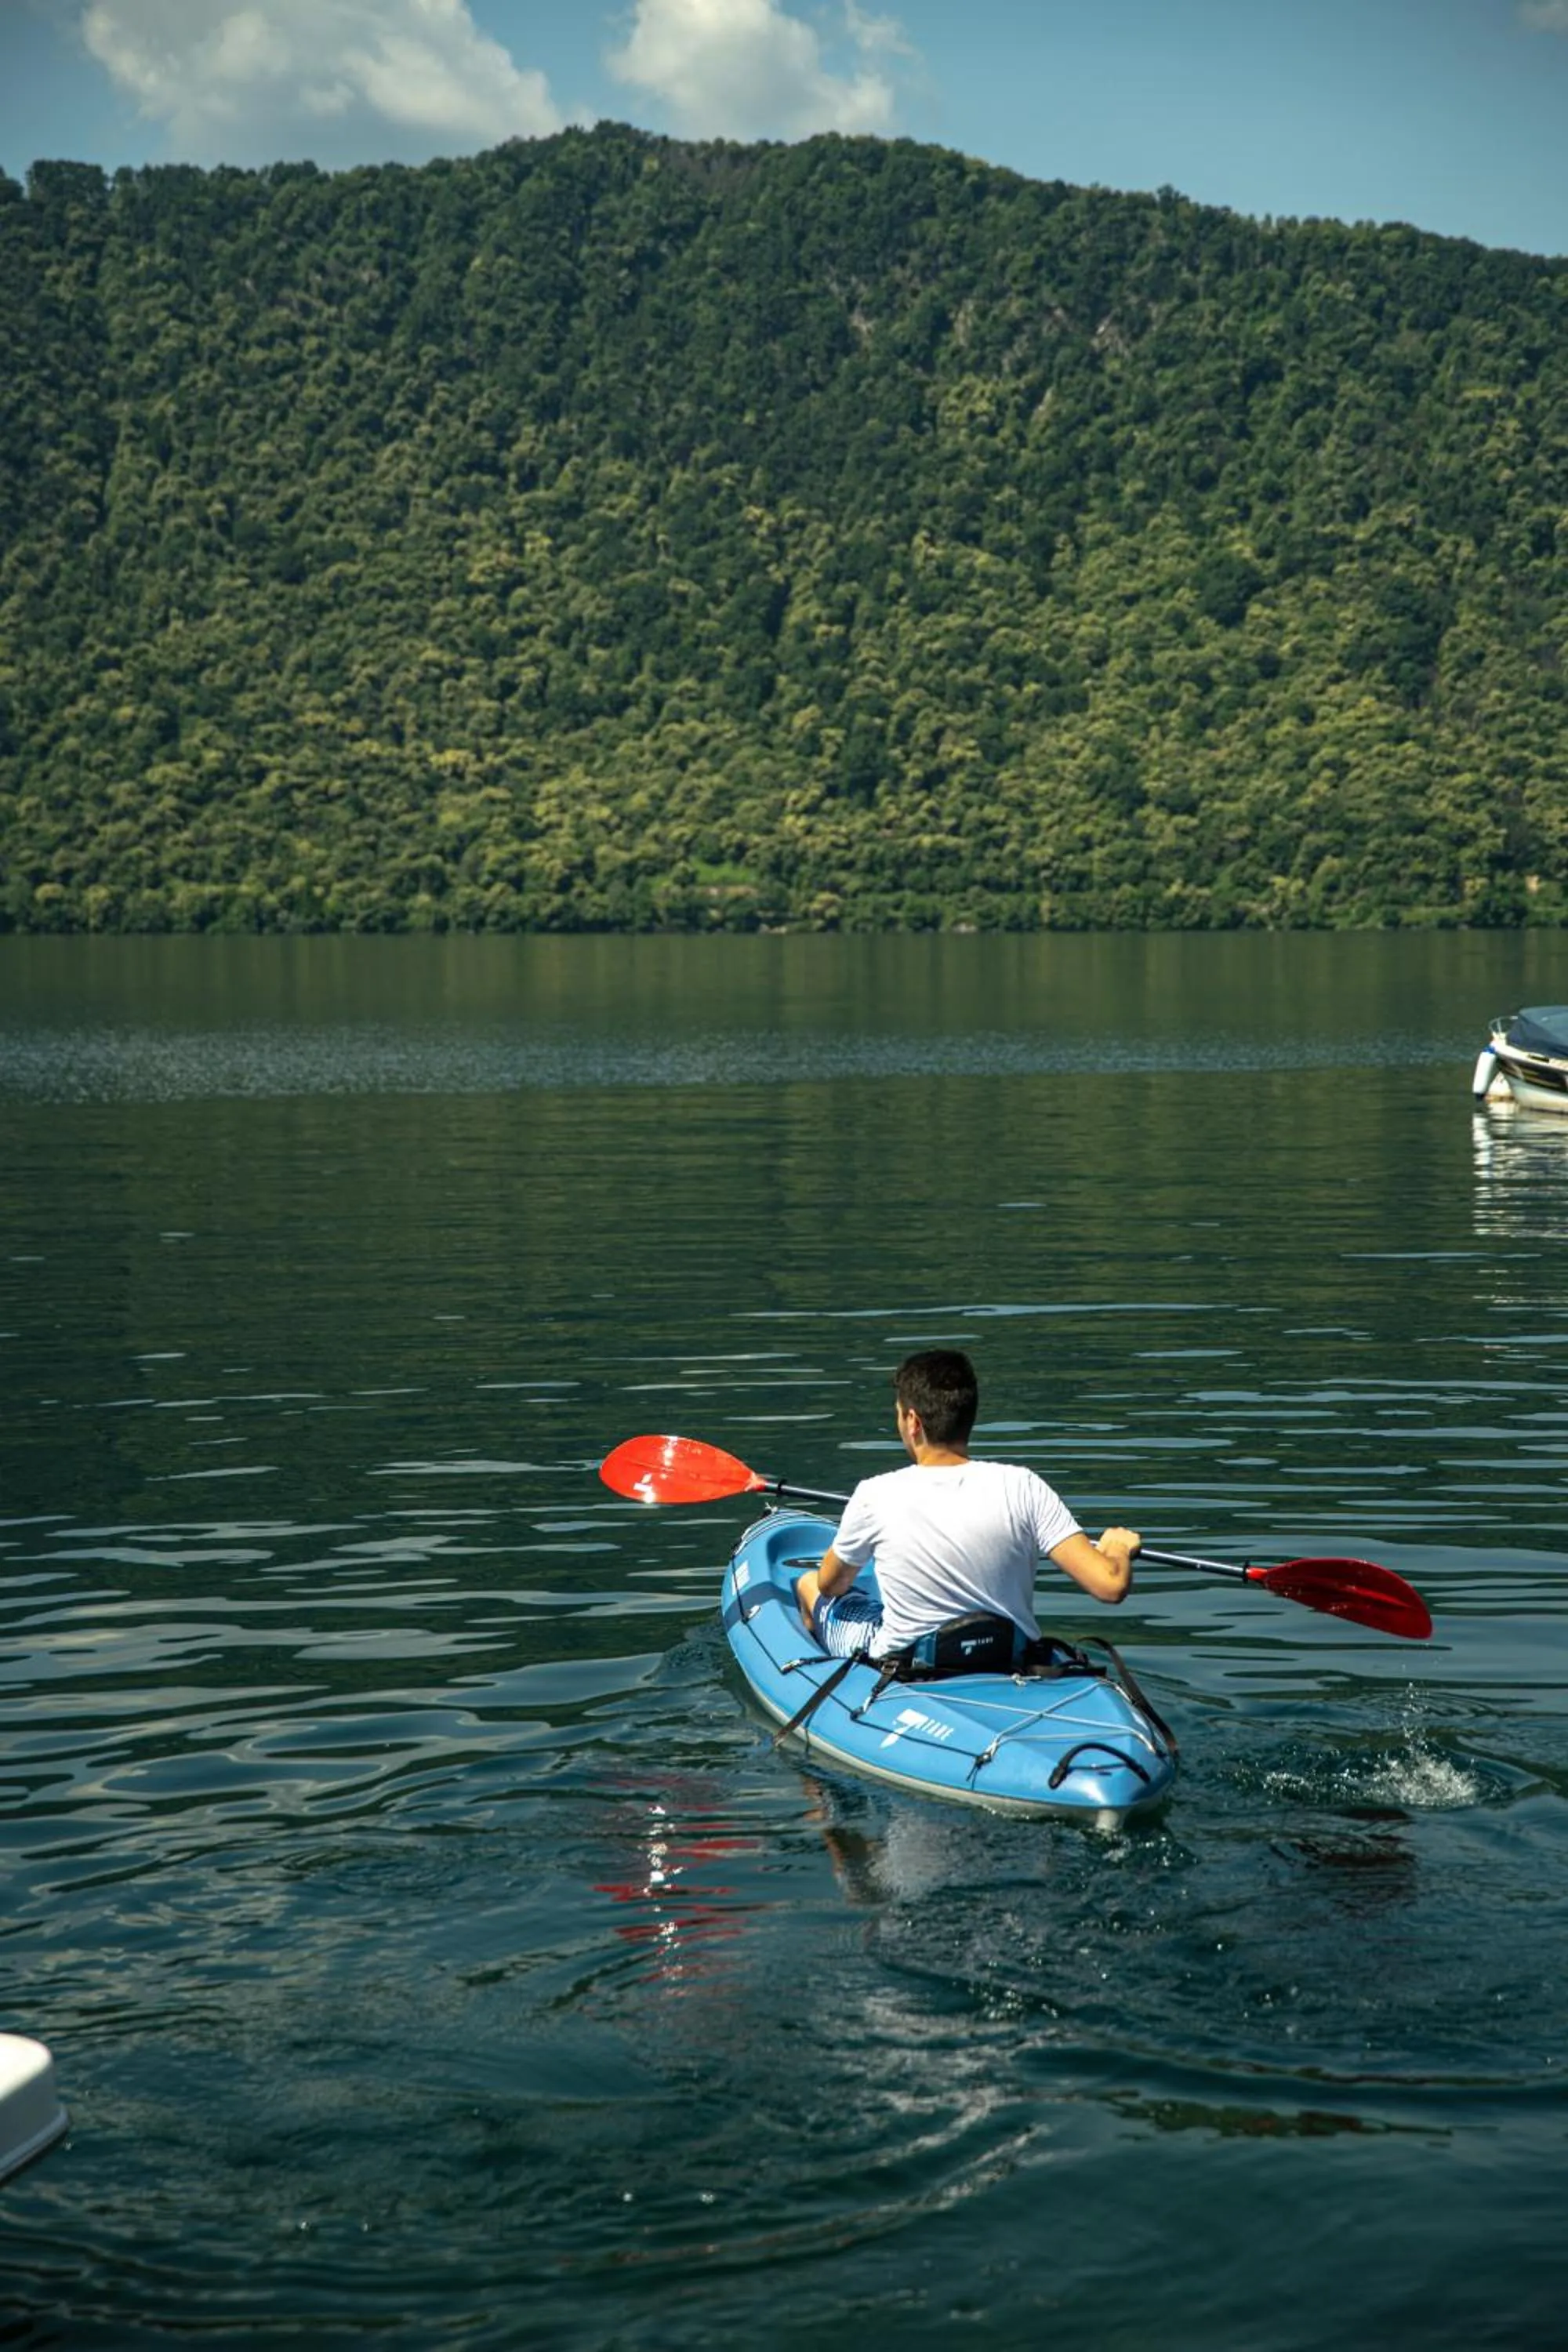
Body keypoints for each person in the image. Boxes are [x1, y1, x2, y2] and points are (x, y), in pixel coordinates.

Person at [793, 1348, 1139, 1660]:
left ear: (913, 1422)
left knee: (809, 1586)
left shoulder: (874, 1493)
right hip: (1008, 1654)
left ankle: (816, 1670)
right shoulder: (1025, 1486)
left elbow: (831, 1585)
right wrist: (1117, 1548)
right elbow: (1110, 1586)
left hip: (908, 1663)